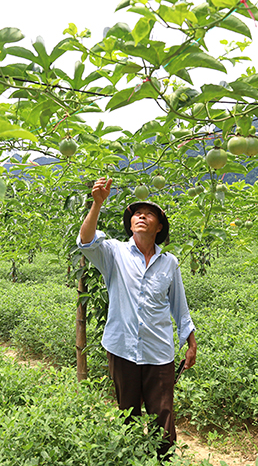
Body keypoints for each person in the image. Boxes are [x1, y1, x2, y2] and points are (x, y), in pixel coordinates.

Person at [77, 177, 197, 460]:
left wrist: (190, 343)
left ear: (159, 227)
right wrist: (97, 203)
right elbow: (86, 241)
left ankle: (163, 461)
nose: (141, 216)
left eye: (149, 214)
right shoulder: (114, 253)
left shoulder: (169, 263)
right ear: (130, 224)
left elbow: (180, 305)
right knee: (127, 414)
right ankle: (129, 459)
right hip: (123, 350)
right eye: (136, 214)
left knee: (163, 419)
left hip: (159, 353)